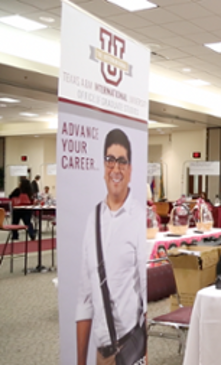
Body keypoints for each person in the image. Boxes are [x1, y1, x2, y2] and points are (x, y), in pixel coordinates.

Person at [76, 129, 147, 365]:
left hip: (131, 345)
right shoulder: (93, 218)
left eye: (122, 161)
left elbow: (145, 298)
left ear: (130, 169)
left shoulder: (139, 218)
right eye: (110, 160)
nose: (116, 168)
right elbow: (85, 299)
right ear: (103, 165)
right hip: (103, 353)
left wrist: (145, 356)